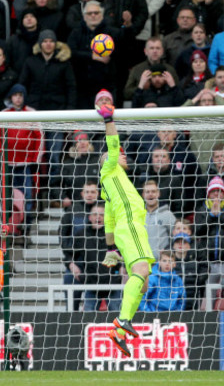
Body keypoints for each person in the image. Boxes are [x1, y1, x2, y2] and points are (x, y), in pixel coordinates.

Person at [94, 97, 156, 357]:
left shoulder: (110, 186)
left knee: (142, 283)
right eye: (116, 154)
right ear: (106, 160)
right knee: (142, 271)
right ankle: (121, 320)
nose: (122, 154)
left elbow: (108, 219)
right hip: (131, 225)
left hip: (126, 229)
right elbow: (113, 143)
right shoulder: (109, 170)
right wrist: (109, 119)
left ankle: (118, 333)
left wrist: (111, 248)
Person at [75, 203, 123, 312]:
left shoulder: (115, 234)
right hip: (91, 283)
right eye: (95, 214)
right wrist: (72, 265)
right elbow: (70, 254)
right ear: (90, 217)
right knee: (88, 315)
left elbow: (124, 253)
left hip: (113, 282)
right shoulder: (81, 234)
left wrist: (122, 268)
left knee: (116, 315)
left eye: (102, 214)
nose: (98, 217)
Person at [171, 231, 208, 310]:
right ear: (173, 246)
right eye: (178, 242)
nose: (180, 245)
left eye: (184, 242)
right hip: (172, 305)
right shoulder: (169, 264)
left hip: (192, 304)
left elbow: (204, 273)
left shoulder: (195, 264)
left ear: (189, 246)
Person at [142, 180, 176, 258]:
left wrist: (167, 251)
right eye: (147, 192)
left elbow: (175, 238)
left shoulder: (167, 215)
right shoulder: (137, 216)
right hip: (140, 263)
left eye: (153, 191)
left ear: (158, 194)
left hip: (160, 266)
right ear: (143, 195)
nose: (150, 194)